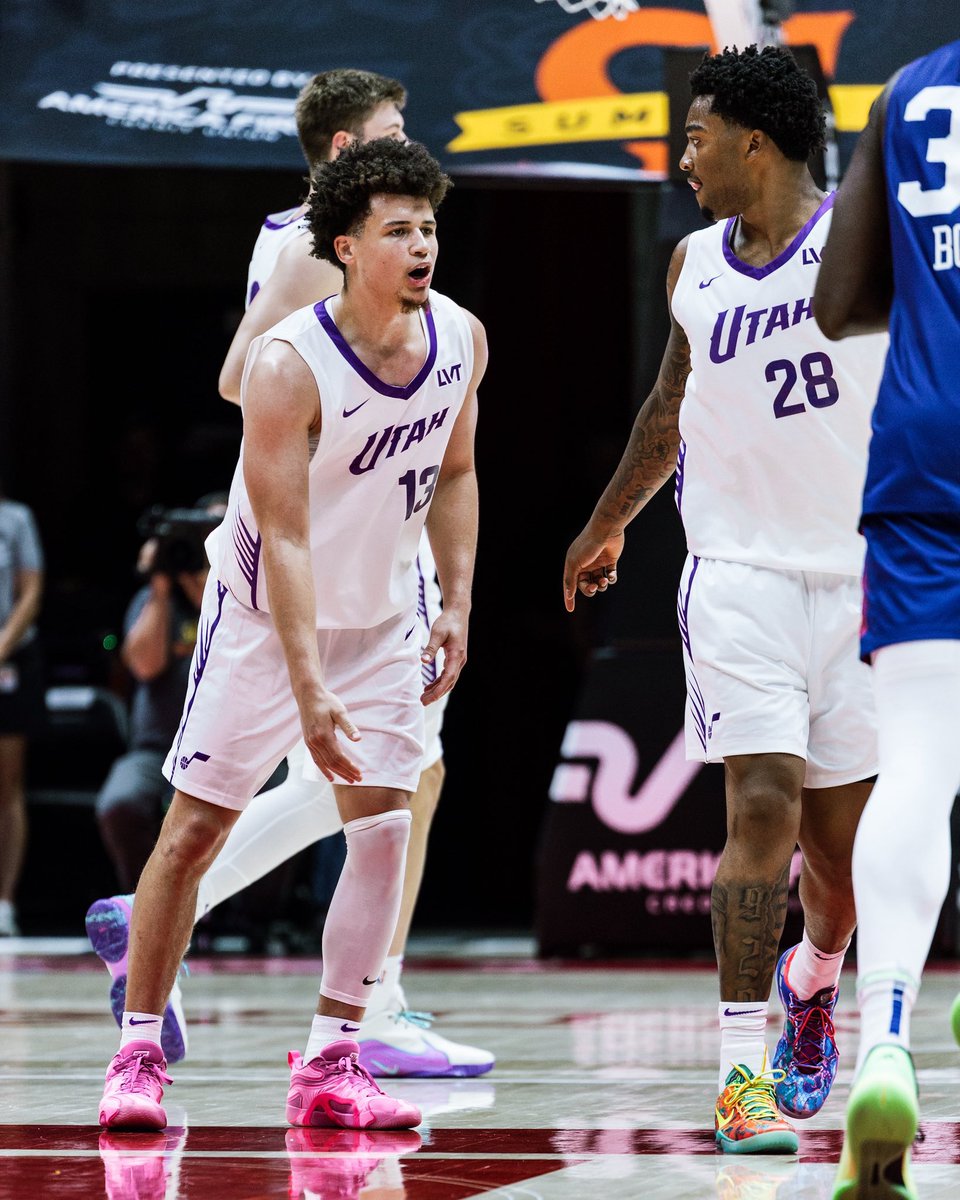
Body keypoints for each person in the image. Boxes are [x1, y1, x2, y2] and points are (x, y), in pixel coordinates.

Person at [87, 67, 493, 1079]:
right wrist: (313, 392)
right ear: (352, 183)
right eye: (393, 136)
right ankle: (156, 952)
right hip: (281, 583)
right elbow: (243, 378)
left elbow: (454, 468)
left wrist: (453, 595)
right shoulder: (311, 262)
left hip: (387, 583)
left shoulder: (451, 329)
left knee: (393, 796)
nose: (422, 236)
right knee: (252, 806)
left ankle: (358, 1024)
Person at [563, 45, 886, 1153]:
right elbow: (670, 403)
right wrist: (609, 522)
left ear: (758, 140)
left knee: (840, 866)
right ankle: (740, 1071)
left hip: (859, 576)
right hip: (737, 572)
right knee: (758, 809)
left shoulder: (868, 240)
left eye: (697, 136)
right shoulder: (693, 262)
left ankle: (815, 978)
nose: (682, 157)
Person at [814, 39, 960, 1200]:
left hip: (923, 460)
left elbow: (834, 300)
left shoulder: (910, 90)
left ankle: (885, 1040)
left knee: (916, 767)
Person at [0, 486, 44, 936]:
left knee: (7, 786)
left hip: (11, 663)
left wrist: (1, 648)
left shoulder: (15, 519)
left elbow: (30, 593)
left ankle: (4, 902)